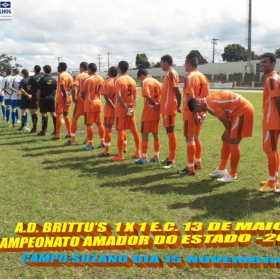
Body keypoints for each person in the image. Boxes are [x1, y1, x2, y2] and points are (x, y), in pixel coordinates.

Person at [188, 91, 254, 182]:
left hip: (243, 111)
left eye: (198, 110)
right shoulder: (207, 102)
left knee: (233, 143)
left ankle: (233, 175)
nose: (200, 112)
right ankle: (222, 168)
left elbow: (225, 121)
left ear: (198, 104)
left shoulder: (210, 104)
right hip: (237, 112)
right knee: (225, 138)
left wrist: (232, 133)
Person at [177, 54, 209, 176]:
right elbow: (207, 96)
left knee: (190, 138)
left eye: (185, 64)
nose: (185, 66)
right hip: (200, 109)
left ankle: (190, 168)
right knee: (196, 137)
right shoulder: (203, 77)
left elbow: (191, 96)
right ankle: (198, 162)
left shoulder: (189, 77)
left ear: (189, 64)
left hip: (191, 111)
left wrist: (195, 113)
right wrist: (204, 112)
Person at [257, 53, 280, 193]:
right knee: (274, 150)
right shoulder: (274, 78)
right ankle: (273, 179)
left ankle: (272, 184)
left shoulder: (272, 79)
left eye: (265, 62)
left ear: (273, 64)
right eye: (261, 62)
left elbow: (277, 101)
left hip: (272, 121)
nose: (262, 64)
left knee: (270, 151)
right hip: (273, 121)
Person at [110, 61, 140, 161]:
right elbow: (136, 96)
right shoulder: (132, 80)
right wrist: (132, 108)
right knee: (134, 131)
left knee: (120, 131)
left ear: (119, 68)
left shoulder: (118, 80)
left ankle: (120, 155)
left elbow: (119, 96)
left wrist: (126, 109)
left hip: (121, 110)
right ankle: (138, 152)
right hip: (131, 109)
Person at [135, 68, 162, 164]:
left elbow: (147, 95)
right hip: (156, 112)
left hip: (148, 112)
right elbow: (164, 95)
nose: (141, 80)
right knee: (155, 134)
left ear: (141, 76)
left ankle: (144, 158)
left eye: (140, 78)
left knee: (145, 135)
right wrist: (159, 105)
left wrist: (154, 104)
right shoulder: (157, 82)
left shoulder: (145, 82)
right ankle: (156, 156)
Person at [159, 54, 181, 169]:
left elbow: (177, 90)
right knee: (169, 133)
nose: (160, 64)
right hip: (166, 108)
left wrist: (178, 105)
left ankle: (172, 159)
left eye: (161, 62)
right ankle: (170, 156)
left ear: (166, 62)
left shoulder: (171, 73)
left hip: (170, 108)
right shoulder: (168, 73)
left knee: (171, 132)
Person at [99, 66, 125, 157]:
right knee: (121, 129)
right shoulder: (120, 81)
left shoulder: (107, 82)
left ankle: (106, 150)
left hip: (110, 109)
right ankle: (124, 148)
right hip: (120, 108)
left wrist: (113, 107)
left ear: (109, 73)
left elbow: (107, 98)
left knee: (108, 129)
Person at [80, 63, 105, 150]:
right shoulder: (101, 79)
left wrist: (85, 100)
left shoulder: (88, 80)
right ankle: (103, 142)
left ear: (90, 69)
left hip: (90, 103)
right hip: (98, 102)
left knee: (89, 124)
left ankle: (90, 144)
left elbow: (82, 93)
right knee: (99, 123)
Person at [64, 62, 89, 145]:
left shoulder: (79, 76)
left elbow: (74, 88)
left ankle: (72, 138)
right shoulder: (91, 75)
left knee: (75, 118)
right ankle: (89, 139)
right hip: (90, 101)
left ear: (81, 68)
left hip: (81, 100)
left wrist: (71, 97)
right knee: (89, 121)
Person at [52, 62, 73, 140]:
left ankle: (58, 135)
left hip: (61, 98)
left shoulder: (61, 75)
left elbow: (62, 87)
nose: (57, 68)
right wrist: (67, 96)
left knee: (58, 116)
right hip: (68, 96)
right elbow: (72, 88)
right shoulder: (69, 75)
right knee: (66, 115)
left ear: (61, 68)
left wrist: (64, 97)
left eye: (58, 66)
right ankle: (69, 133)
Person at [36, 65, 57, 136]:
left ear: (44, 70)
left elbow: (39, 90)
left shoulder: (42, 79)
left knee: (43, 114)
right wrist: (53, 97)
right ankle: (56, 130)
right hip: (51, 97)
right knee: (53, 113)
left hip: (44, 98)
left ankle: (43, 131)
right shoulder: (54, 79)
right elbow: (55, 90)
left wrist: (37, 99)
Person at [27, 65, 44, 133]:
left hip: (34, 96)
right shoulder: (43, 77)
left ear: (34, 70)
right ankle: (45, 128)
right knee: (44, 112)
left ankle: (35, 128)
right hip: (43, 96)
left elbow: (28, 88)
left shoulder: (32, 78)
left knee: (33, 111)